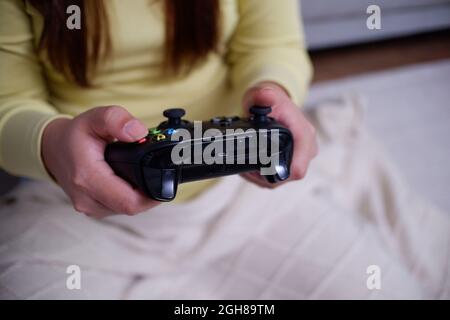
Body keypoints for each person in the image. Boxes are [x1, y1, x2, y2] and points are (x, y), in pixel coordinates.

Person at [0, 0, 448, 299]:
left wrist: (274, 92)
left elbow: (273, 44)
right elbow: (8, 101)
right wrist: (50, 142)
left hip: (240, 193)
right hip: (75, 201)